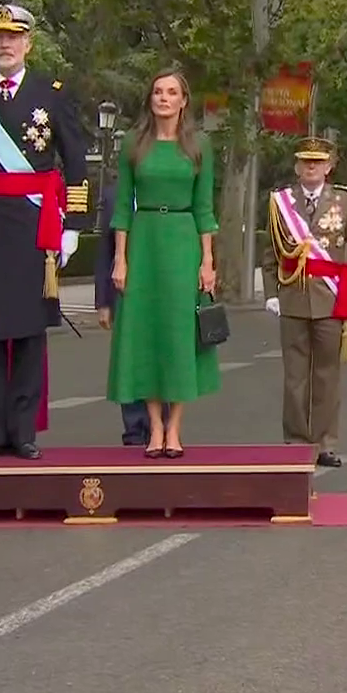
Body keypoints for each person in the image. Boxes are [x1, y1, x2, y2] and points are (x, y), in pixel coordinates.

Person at [0, 2, 90, 461]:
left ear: (27, 44)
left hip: (32, 226)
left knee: (26, 331)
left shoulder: (52, 94)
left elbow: (77, 161)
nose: (5, 44)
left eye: (13, 37)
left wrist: (74, 226)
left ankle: (24, 430)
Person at [106, 66, 220, 456]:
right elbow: (122, 206)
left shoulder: (199, 146)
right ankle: (153, 426)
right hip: (144, 239)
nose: (164, 98)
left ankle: (175, 428)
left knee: (179, 333)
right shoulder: (133, 144)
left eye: (172, 92)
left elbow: (205, 208)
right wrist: (120, 259)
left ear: (184, 100)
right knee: (147, 333)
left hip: (183, 240)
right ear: (150, 99)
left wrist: (207, 261)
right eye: (158, 92)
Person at [265, 135, 347, 467]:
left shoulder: (345, 202)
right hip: (293, 297)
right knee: (295, 376)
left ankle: (325, 443)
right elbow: (271, 252)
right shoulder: (281, 203)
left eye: (318, 162)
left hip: (331, 300)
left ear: (329, 167)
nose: (311, 167)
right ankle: (295, 441)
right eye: (305, 162)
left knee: (327, 374)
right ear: (297, 167)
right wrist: (271, 293)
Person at [92, 179, 152, 447]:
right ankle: (134, 428)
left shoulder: (167, 189)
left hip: (160, 288)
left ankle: (160, 426)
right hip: (124, 290)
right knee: (129, 359)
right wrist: (102, 302)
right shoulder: (114, 194)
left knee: (160, 356)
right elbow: (104, 251)